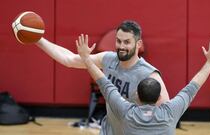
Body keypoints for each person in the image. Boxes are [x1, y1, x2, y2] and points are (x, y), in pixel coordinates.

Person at [36, 20, 170, 134]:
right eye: (118, 41)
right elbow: (69, 60)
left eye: (127, 42)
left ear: (138, 44)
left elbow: (166, 117)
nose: (121, 46)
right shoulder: (108, 59)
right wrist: (38, 39)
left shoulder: (149, 75)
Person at [76, 37, 210, 135]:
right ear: (160, 97)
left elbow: (104, 83)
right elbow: (194, 85)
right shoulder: (170, 112)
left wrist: (86, 59)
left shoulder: (126, 112)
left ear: (137, 97)